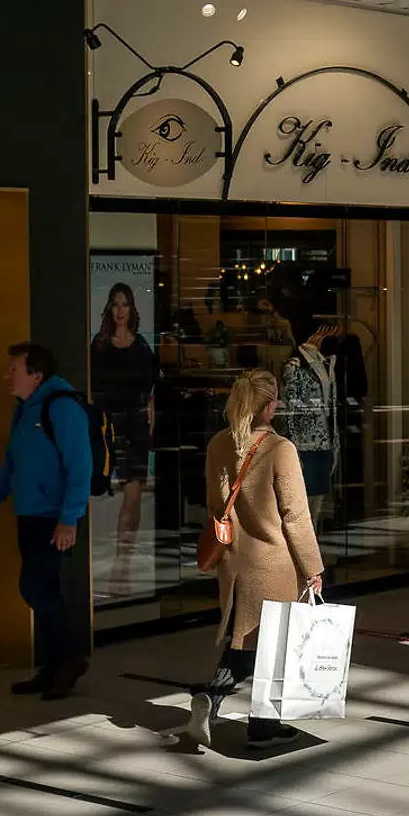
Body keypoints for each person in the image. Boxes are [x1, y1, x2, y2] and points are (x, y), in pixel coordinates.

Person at [187, 370, 324, 751]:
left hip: (234, 562)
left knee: (243, 639)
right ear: (269, 406)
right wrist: (313, 567)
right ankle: (261, 725)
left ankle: (212, 701)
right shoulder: (281, 449)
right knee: (272, 647)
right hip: (274, 564)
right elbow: (295, 516)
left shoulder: (218, 445)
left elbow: (217, 506)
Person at [0, 342, 92, 700]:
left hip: (53, 518)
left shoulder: (62, 407)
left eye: (14, 369)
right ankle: (54, 666)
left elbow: (80, 468)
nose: (6, 376)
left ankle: (70, 658)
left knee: (34, 587)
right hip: (28, 515)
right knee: (45, 592)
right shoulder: (24, 410)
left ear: (36, 375)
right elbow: (12, 463)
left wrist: (69, 519)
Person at [90, 282, 159, 598]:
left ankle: (122, 565)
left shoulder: (142, 347)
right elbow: (94, 391)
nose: (120, 310)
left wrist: (150, 421)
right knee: (114, 491)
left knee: (133, 495)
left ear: (132, 309)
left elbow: (150, 394)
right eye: (116, 304)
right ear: (110, 308)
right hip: (110, 427)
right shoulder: (99, 346)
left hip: (136, 429)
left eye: (125, 304)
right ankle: (113, 565)